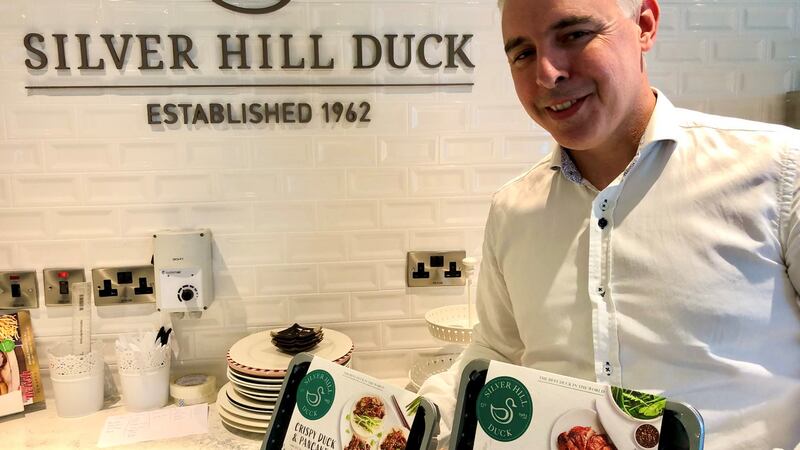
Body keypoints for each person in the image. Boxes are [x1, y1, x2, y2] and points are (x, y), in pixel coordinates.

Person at [417, 0, 800, 449]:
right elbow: (499, 352)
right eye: (522, 53)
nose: (547, 74)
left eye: (574, 35)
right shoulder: (512, 209)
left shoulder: (781, 170)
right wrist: (412, 421)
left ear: (645, 25)